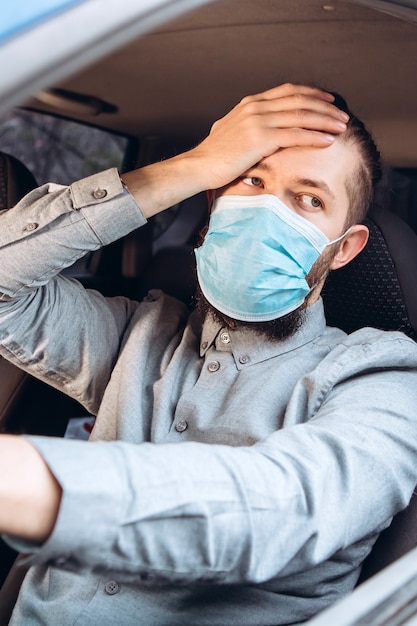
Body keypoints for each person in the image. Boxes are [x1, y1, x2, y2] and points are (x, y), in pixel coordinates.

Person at [0, 83, 417, 625]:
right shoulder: (140, 332)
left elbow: (288, 508)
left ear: (344, 248)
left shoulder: (382, 375)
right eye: (252, 179)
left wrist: (37, 483)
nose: (269, 210)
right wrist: (192, 167)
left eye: (309, 199)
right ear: (215, 203)